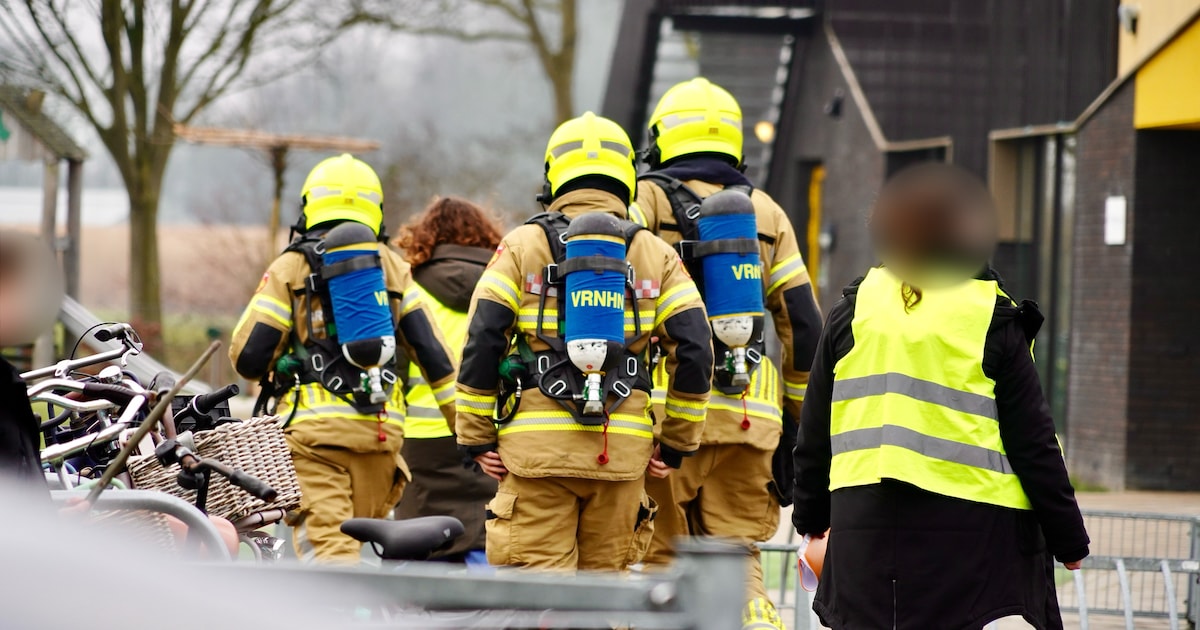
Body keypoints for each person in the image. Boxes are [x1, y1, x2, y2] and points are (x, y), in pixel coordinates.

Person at [791, 162, 1089, 630]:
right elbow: (1034, 444)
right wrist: (1069, 540)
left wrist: (811, 518)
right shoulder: (990, 316)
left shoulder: (854, 311)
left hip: (864, 539)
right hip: (970, 548)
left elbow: (814, 435)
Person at [455, 112, 714, 572]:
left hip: (535, 458)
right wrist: (675, 444)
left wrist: (476, 437)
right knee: (603, 605)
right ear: (628, 179)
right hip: (621, 455)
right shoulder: (655, 253)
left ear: (555, 176)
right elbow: (695, 347)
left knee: (539, 606)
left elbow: (483, 336)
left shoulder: (523, 245)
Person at [634, 77, 822, 629]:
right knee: (738, 564)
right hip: (750, 424)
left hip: (666, 423)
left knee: (660, 562)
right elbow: (805, 327)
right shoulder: (765, 213)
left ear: (661, 140)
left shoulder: (642, 202)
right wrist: (793, 428)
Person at [230, 154, 458, 564]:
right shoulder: (392, 267)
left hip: (317, 444)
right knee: (361, 560)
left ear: (309, 205)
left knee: (331, 563)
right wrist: (472, 434)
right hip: (381, 440)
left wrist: (285, 362)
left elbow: (248, 357)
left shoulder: (292, 266)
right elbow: (435, 356)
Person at [393, 196, 504, 564]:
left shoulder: (409, 288)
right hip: (488, 433)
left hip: (421, 441)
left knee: (421, 537)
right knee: (488, 530)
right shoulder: (503, 287)